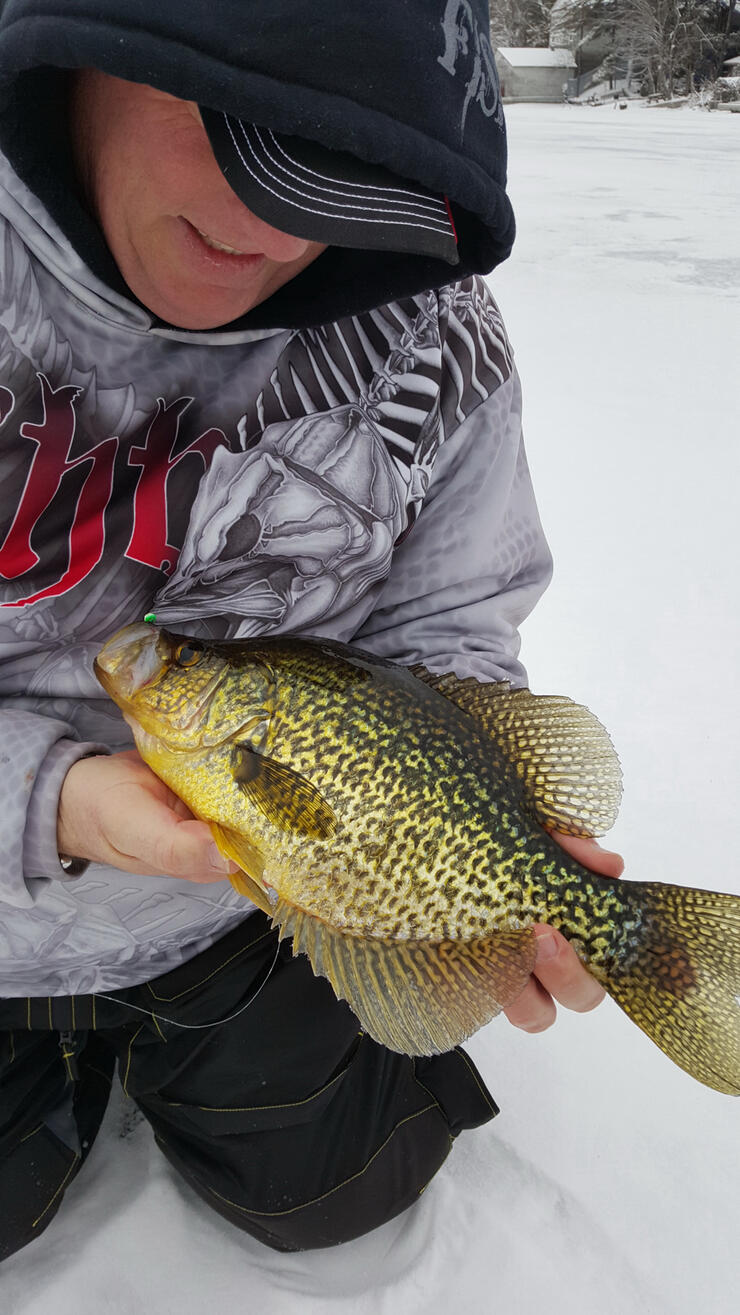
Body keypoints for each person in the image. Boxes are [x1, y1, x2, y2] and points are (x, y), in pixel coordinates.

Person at [0, 0, 622, 1260]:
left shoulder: (428, 334)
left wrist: (467, 832)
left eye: (356, 184)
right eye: (246, 138)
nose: (280, 232)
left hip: (251, 916)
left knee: (342, 1192)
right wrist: (52, 798)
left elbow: (448, 617)